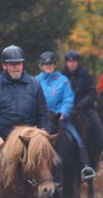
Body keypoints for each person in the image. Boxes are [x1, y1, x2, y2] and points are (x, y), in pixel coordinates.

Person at [0, 45, 73, 198]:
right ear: (4, 66)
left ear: (23, 65)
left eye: (19, 63)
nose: (16, 67)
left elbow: (42, 114)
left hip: (30, 139)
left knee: (57, 161)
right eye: (12, 64)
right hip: (2, 137)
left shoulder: (34, 84)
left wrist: (43, 137)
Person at [36, 52, 96, 181]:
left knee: (77, 138)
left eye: (51, 64)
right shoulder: (36, 81)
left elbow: (68, 97)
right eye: (46, 64)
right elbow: (33, 100)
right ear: (41, 66)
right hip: (43, 120)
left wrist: (63, 112)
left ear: (55, 65)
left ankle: (85, 167)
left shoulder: (63, 80)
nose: (48, 66)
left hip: (60, 118)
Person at [61, 49, 103, 164]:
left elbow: (91, 92)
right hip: (66, 109)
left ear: (78, 62)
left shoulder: (85, 74)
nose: (72, 63)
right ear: (66, 63)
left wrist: (81, 104)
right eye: (69, 61)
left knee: (95, 122)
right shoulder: (61, 76)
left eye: (74, 61)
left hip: (84, 108)